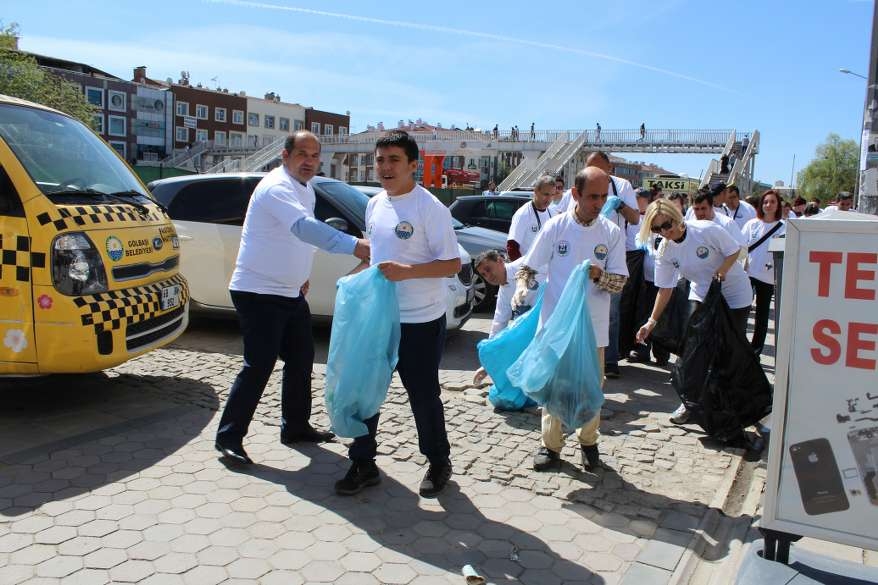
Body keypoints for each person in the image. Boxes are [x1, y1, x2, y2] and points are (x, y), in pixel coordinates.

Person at [215, 131, 371, 465]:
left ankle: (296, 427)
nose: (309, 161)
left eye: (315, 155)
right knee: (258, 365)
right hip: (258, 292)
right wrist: (355, 246)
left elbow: (297, 239)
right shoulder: (277, 187)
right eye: (302, 154)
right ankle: (229, 438)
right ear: (285, 156)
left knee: (301, 360)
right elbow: (303, 228)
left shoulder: (306, 189)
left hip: (289, 292)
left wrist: (302, 275)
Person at [335, 130, 461, 498]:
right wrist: (357, 279)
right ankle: (363, 462)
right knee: (365, 390)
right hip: (377, 317)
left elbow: (452, 263)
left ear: (412, 165)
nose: (385, 167)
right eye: (380, 160)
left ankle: (439, 462)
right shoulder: (374, 204)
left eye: (393, 160)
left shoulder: (430, 208)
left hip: (420, 320)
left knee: (422, 395)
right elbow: (376, 253)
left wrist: (409, 272)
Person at [512, 166, 628, 472]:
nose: (599, 203)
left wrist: (599, 275)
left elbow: (620, 283)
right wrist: (522, 287)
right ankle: (550, 447)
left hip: (594, 329)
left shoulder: (611, 233)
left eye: (603, 196)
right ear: (575, 194)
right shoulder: (556, 228)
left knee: (591, 387)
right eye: (592, 196)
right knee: (554, 387)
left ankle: (589, 442)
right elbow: (530, 266)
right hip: (555, 326)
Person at [635, 200, 753, 430]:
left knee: (730, 351)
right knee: (696, 351)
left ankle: (737, 405)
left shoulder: (706, 230)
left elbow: (735, 250)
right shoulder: (665, 249)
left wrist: (722, 271)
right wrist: (651, 322)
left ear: (676, 217)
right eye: (657, 229)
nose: (665, 232)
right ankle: (690, 404)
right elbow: (665, 288)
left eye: (667, 225)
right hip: (701, 296)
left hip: (734, 295)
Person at [471, 250, 542, 384]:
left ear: (500, 261)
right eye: (483, 274)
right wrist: (487, 364)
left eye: (488, 269)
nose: (488, 276)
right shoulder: (504, 292)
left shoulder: (526, 263)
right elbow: (498, 324)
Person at [741, 190, 785, 357]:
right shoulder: (752, 224)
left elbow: (782, 255)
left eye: (772, 202)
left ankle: (755, 351)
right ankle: (740, 347)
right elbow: (742, 248)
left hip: (768, 278)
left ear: (778, 205)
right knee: (742, 311)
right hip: (748, 274)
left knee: (762, 316)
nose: (769, 205)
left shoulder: (784, 227)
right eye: (766, 202)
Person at [506, 175, 555, 260]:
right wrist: (523, 271)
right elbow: (512, 247)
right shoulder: (523, 214)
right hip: (528, 270)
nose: (549, 199)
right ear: (536, 191)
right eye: (546, 194)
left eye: (552, 195)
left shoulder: (552, 213)